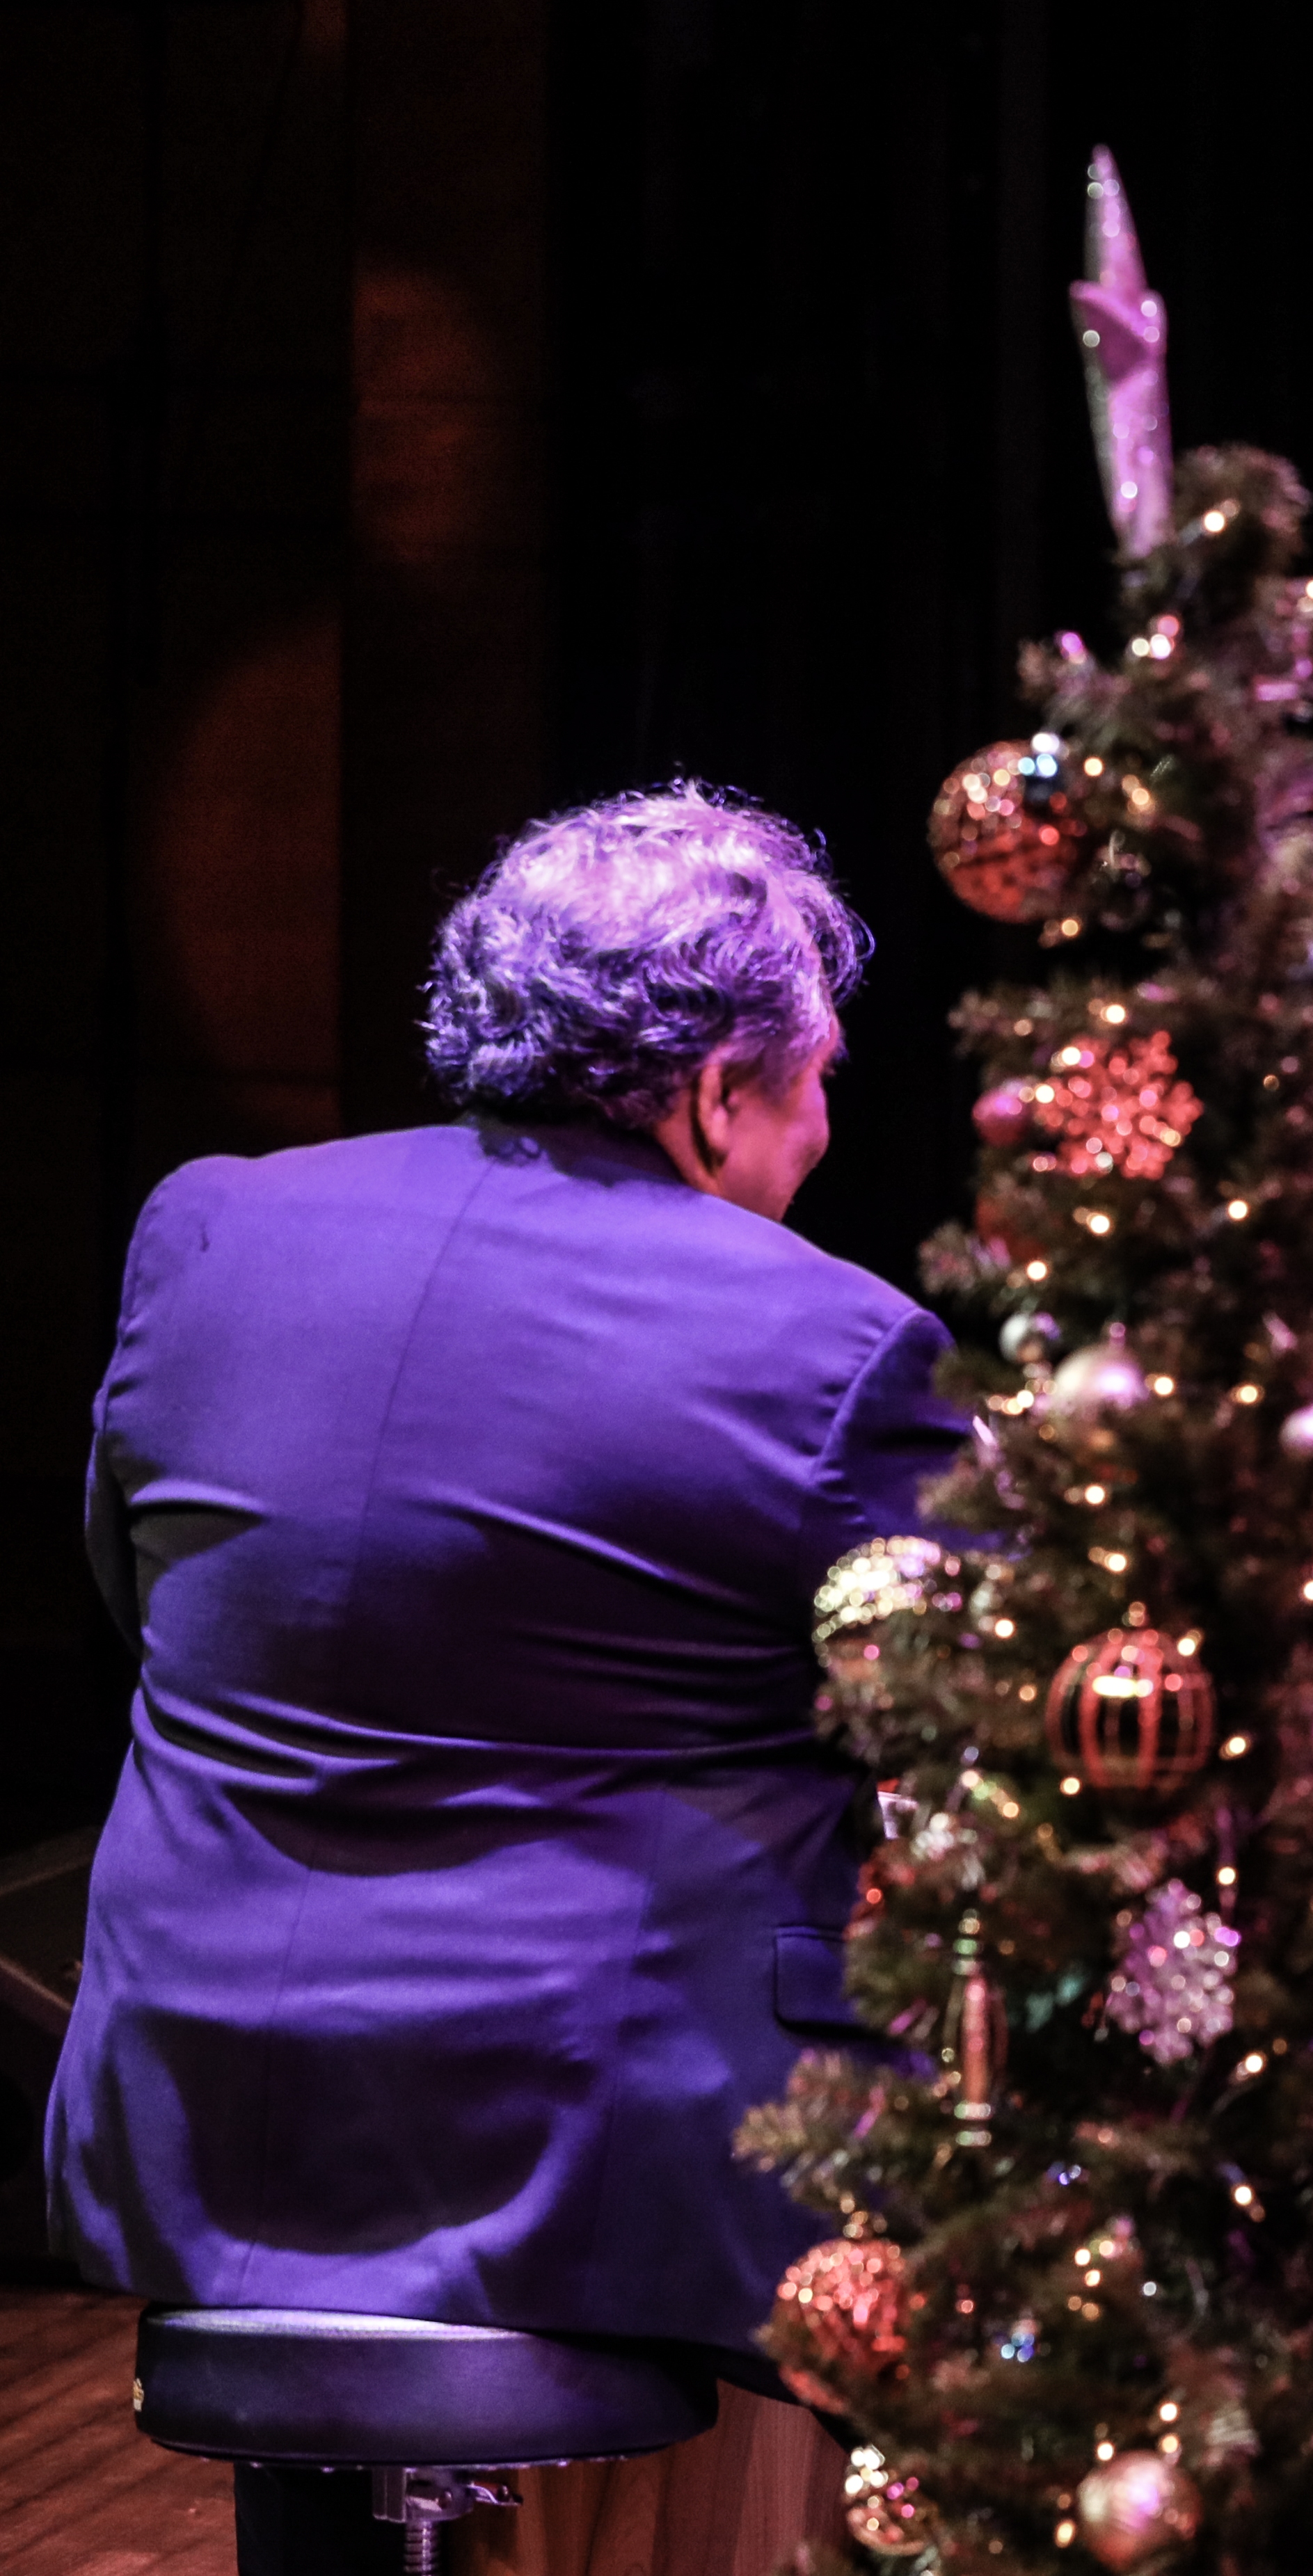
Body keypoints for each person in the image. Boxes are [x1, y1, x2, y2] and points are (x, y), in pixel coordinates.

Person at [48, 790, 958, 2401]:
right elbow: (959, 1713)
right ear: (712, 1089)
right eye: (815, 1082)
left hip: (197, 2125)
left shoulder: (209, 1225)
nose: (822, 1133)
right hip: (606, 2175)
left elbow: (149, 1600)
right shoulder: (832, 1340)